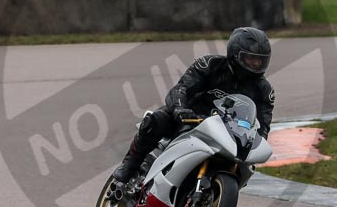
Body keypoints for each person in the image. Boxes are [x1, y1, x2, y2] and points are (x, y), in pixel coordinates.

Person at [113, 27, 275, 183]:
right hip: (191, 118)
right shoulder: (210, 65)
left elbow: (263, 125)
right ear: (235, 54)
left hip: (228, 133)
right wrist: (180, 109)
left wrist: (255, 144)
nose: (256, 64)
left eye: (261, 60)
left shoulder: (264, 90)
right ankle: (130, 164)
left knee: (245, 167)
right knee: (156, 119)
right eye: (251, 58)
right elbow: (182, 88)